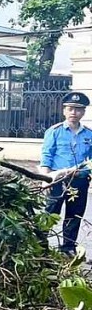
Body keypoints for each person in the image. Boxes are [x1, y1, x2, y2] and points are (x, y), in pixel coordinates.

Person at [40, 91, 92, 257]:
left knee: (74, 215)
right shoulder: (54, 131)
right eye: (70, 109)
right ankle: (40, 246)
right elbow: (46, 156)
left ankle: (67, 248)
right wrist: (45, 179)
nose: (73, 113)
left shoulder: (89, 135)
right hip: (57, 181)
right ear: (64, 110)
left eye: (78, 109)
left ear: (83, 112)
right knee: (50, 213)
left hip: (80, 182)